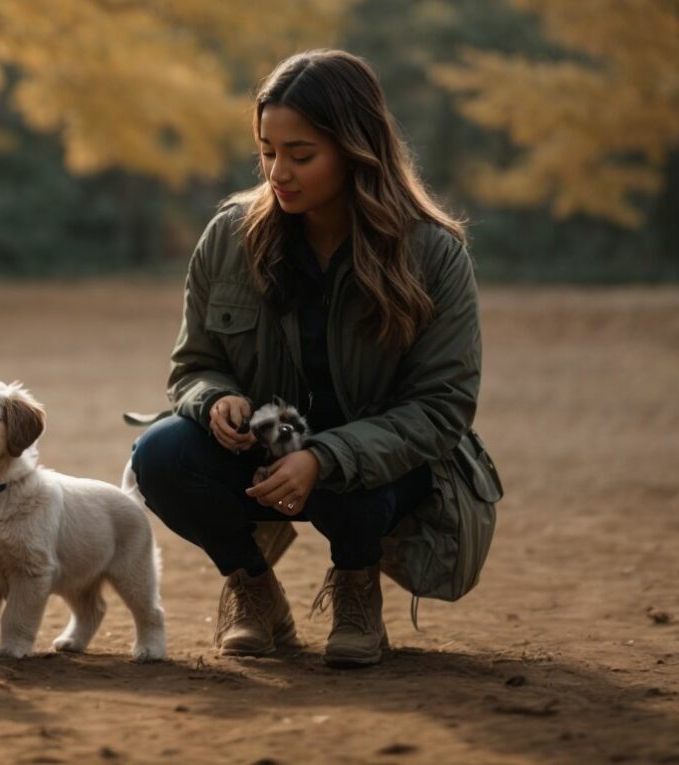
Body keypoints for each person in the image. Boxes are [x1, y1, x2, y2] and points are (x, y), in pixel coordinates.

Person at [129, 49, 481, 668]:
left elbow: (440, 408)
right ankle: (252, 589)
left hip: (380, 464)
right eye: (267, 152)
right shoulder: (229, 237)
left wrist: (325, 457)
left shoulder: (434, 254)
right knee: (158, 453)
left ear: (356, 149)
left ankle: (356, 587)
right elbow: (193, 365)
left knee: (356, 480)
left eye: (301, 155)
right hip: (267, 448)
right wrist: (216, 399)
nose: (277, 173)